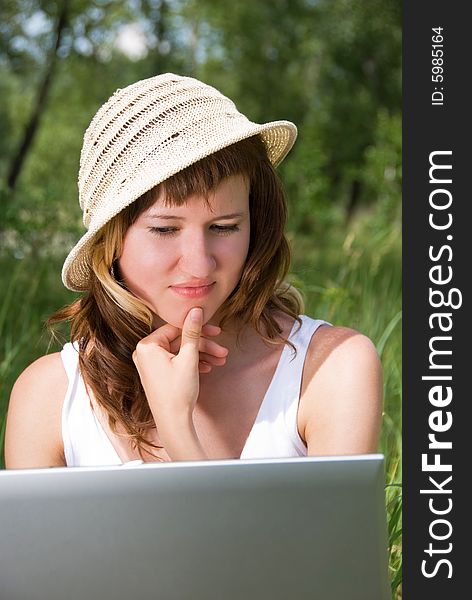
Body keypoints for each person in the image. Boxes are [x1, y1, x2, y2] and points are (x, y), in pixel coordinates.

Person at [5, 73, 382, 468]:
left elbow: (338, 534)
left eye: (224, 227)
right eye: (165, 229)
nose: (199, 263)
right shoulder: (48, 397)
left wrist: (178, 431)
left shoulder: (331, 369)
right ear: (110, 240)